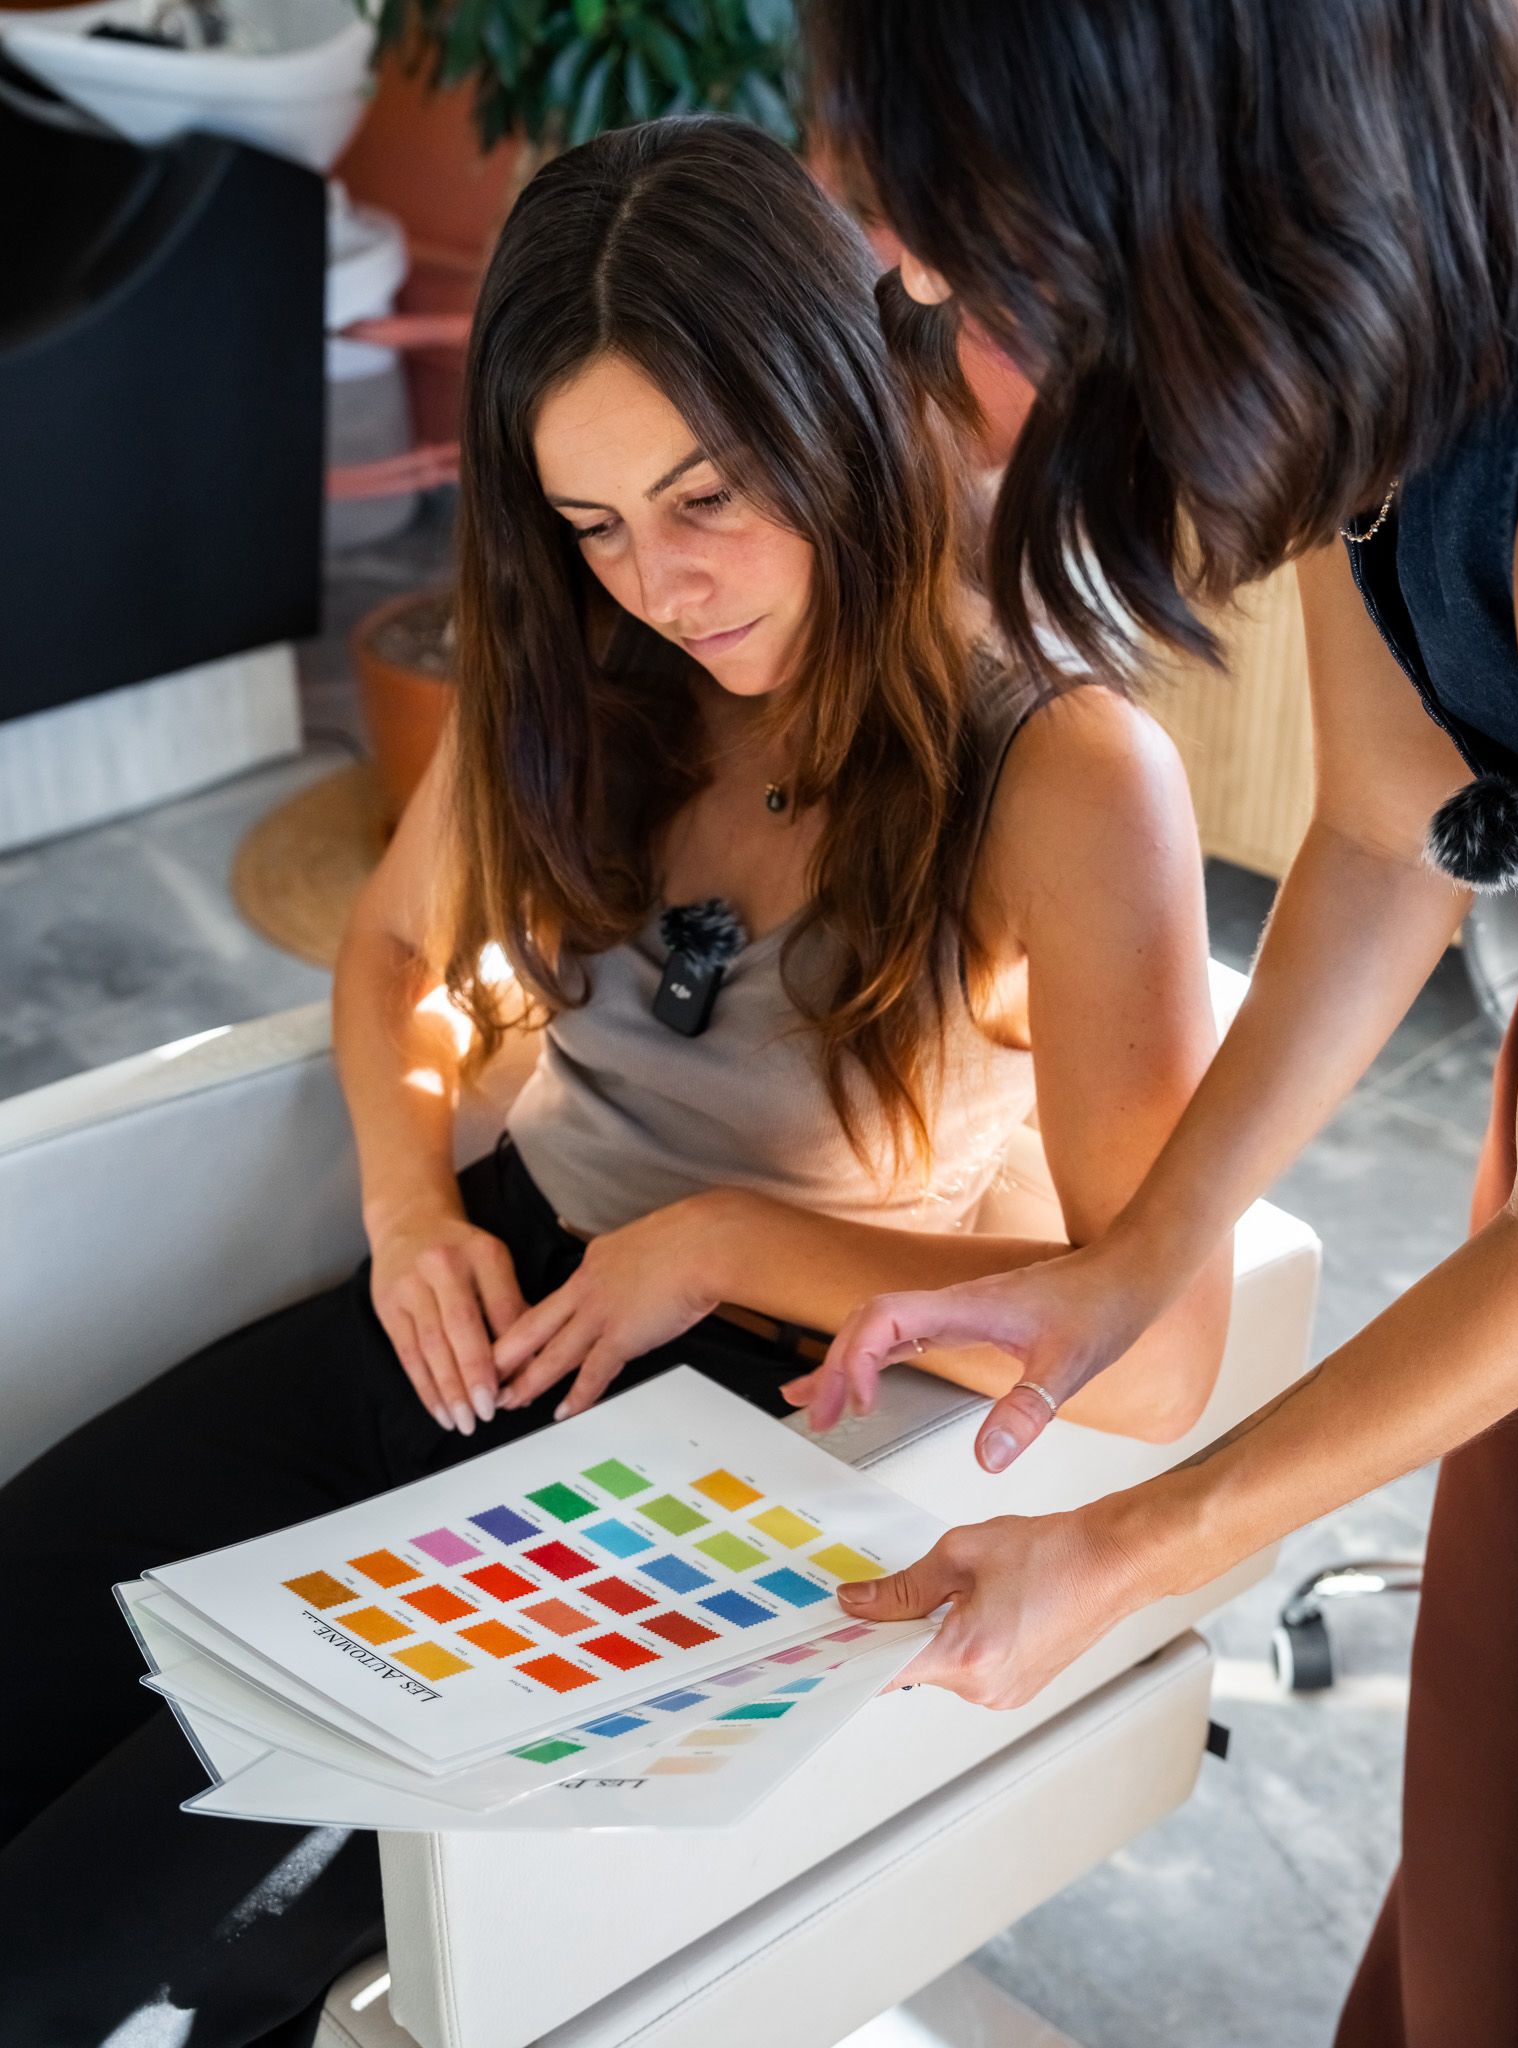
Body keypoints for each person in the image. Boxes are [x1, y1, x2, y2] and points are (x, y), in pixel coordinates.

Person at [0, 117, 1229, 2047]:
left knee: (73, 1951)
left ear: (840, 405)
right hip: (479, 1306)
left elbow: (1154, 1353)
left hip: (715, 1454)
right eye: (590, 526)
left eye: (707, 496)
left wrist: (727, 1237)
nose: (661, 585)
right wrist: (410, 1205)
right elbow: (401, 956)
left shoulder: (1063, 773)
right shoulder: (593, 662)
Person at [794, 4, 1518, 2041]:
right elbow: (1386, 831)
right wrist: (1133, 1257)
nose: (912, 282)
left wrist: (1127, 1547)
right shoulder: (1405, 274)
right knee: (1495, 1897)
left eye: (956, 235)